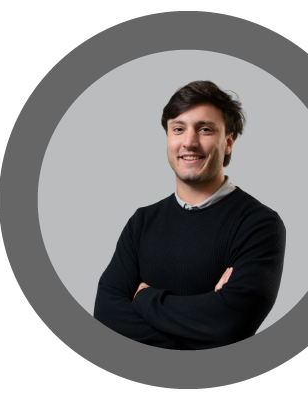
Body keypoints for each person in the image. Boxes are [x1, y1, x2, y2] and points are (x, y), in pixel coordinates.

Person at [93, 80, 286, 350]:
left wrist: (144, 299)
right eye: (178, 129)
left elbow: (229, 326)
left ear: (228, 143)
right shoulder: (142, 222)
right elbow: (105, 316)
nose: (189, 142)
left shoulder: (259, 224)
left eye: (205, 129)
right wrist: (200, 328)